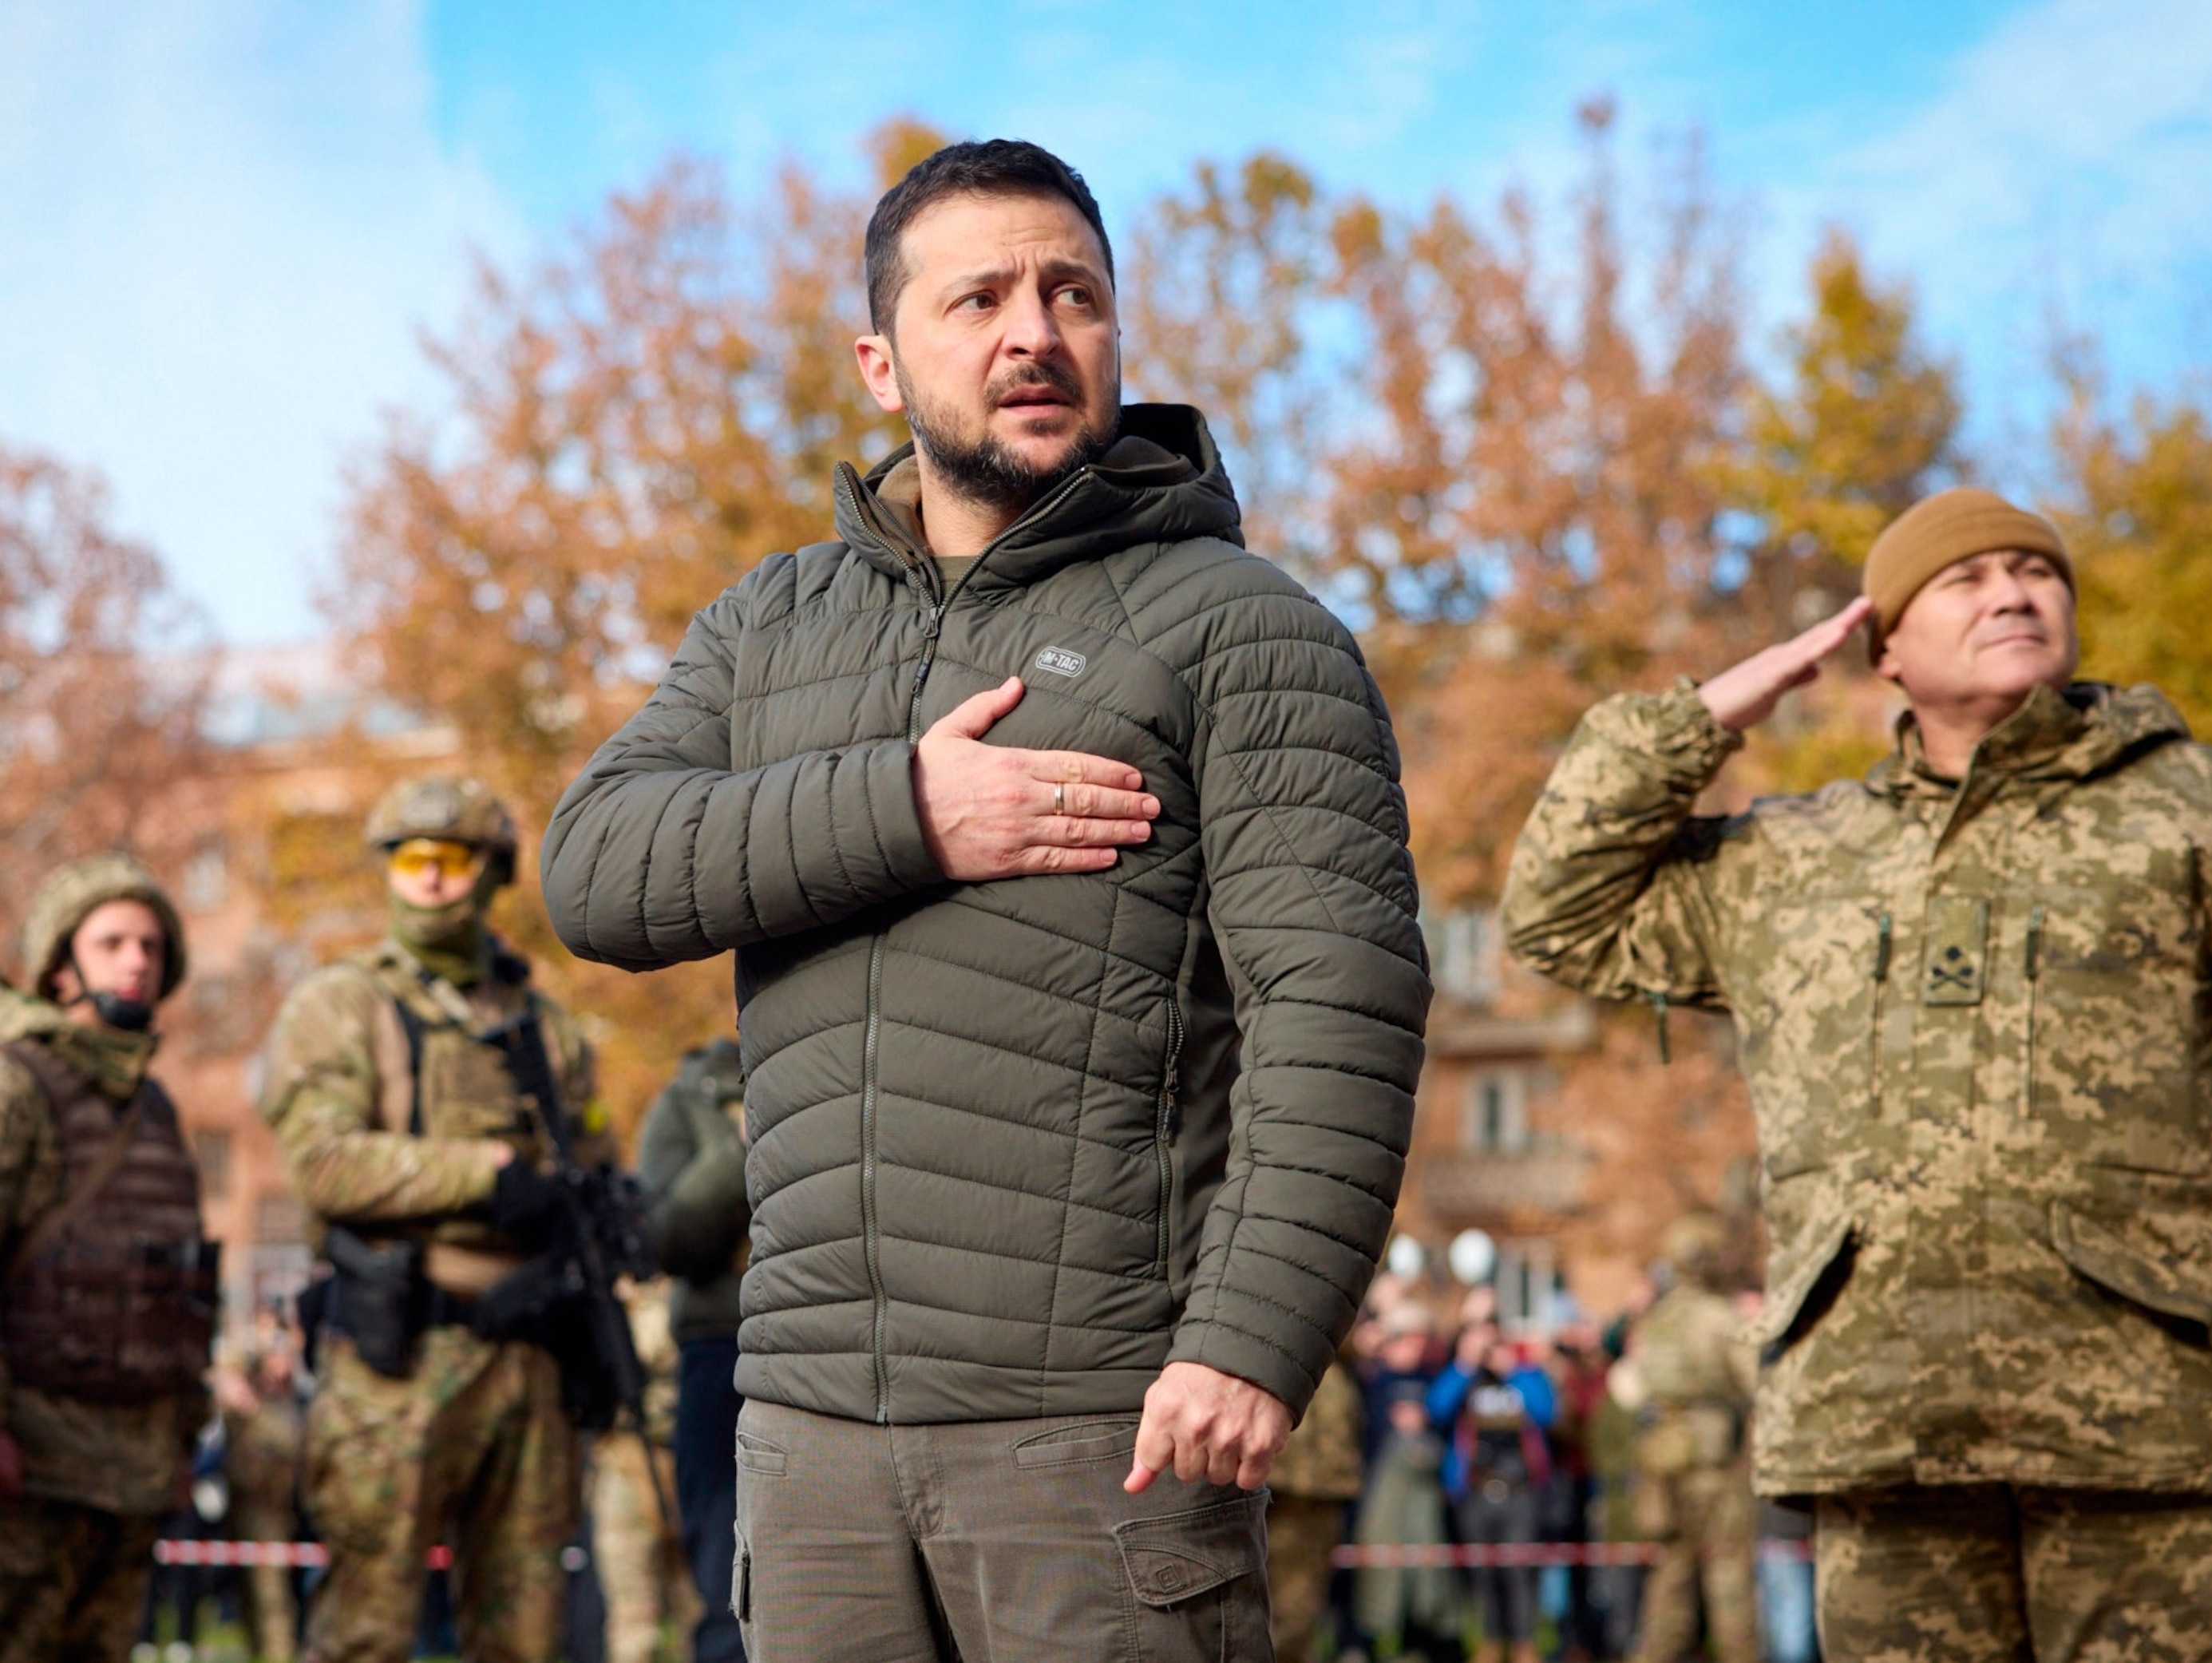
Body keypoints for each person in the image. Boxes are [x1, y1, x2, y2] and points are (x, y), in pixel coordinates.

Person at [540, 138, 1429, 1661]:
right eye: (982, 299)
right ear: (883, 362)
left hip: (1100, 1432)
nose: (1035, 331)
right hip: (808, 1439)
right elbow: (597, 869)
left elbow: (1335, 1006)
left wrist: (1248, 1341)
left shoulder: (1241, 626)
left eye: (1072, 292)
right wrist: (908, 808)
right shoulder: (771, 621)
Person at [1504, 487, 2212, 1658]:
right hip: (1886, 1430)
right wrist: (1705, 713)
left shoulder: (2202, 811)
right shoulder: (1795, 858)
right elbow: (1556, 908)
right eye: (1967, 577)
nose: (2012, 592)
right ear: (1882, 644)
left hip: (2151, 1425)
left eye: (2036, 572)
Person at [259, 776, 610, 1663]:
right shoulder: (343, 1004)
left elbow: (592, 1180)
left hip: (528, 1357)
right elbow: (325, 1162)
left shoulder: (548, 1029)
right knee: (365, 1632)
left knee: (526, 1636)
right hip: (397, 1361)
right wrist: (486, 1176)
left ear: (492, 874)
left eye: (452, 860)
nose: (430, 879)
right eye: (410, 860)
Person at [0, 853, 217, 1663]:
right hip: (33, 1472)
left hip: (132, 1468)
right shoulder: (18, 1085)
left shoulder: (153, 1105)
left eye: (153, 946)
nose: (138, 960)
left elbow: (179, 1281)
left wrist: (184, 1432)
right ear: (59, 965)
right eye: (113, 941)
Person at [635, 1035, 751, 1663]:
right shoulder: (687, 1099)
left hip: (833, 1344)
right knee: (726, 1577)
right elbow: (665, 1238)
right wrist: (741, 1150)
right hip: (721, 1351)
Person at [1621, 1216, 1757, 1663]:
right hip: (1712, 1464)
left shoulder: (1656, 1320)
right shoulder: (1720, 1318)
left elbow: (1639, 1386)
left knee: (1671, 1576)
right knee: (1728, 1573)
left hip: (1663, 1462)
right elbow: (1757, 1380)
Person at [1430, 1324, 1557, 1663]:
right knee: (1481, 1572)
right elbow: (1437, 1409)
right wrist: (1464, 1366)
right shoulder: (1464, 1378)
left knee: (1519, 1572)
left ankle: (1523, 1644)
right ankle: (1488, 1641)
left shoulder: (1525, 1375)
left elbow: (1546, 1412)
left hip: (1520, 1491)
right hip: (1475, 1491)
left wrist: (1512, 1369)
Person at [588, 1277, 699, 1663]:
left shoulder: (683, 1292)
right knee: (635, 1625)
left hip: (685, 1463)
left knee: (695, 1614)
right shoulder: (610, 1296)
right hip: (624, 1462)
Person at [1354, 1381, 1464, 1663]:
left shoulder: (1429, 1445)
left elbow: (1429, 1462)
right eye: (1404, 1410)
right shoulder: (1381, 1443)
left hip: (1423, 1534)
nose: (1410, 1416)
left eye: (1415, 1409)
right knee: (1380, 1601)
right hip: (1385, 1535)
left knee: (1427, 1598)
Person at [1268, 1353, 1365, 1660]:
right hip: (1275, 1499)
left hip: (1315, 1503)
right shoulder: (1274, 1367)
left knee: (1298, 1612)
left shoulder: (1333, 1373)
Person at [221, 1333, 307, 1663]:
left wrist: (254, 1409)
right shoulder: (240, 1410)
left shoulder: (282, 1411)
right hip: (240, 1507)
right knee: (247, 1597)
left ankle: (279, 1655)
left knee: (272, 1599)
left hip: (270, 1515)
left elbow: (289, 1447)